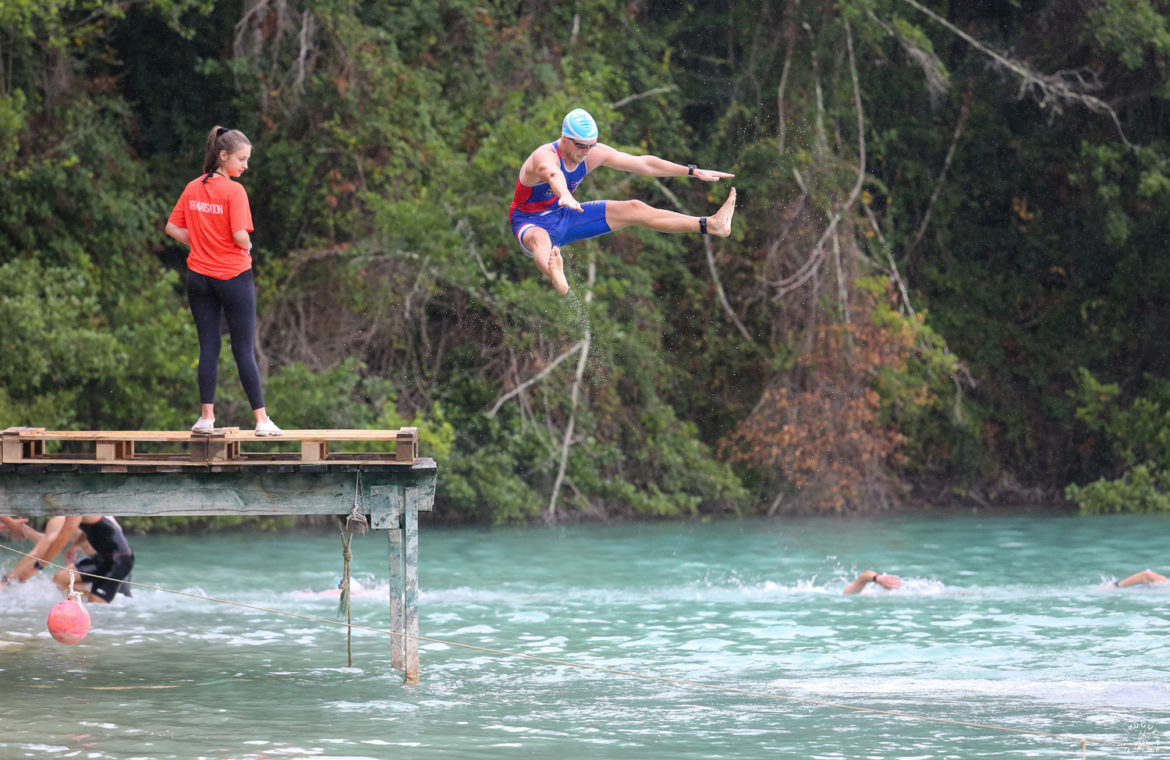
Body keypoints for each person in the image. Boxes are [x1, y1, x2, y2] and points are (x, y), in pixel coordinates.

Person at [509, 108, 737, 294]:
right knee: (540, 239)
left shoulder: (590, 153)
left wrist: (690, 171)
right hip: (529, 220)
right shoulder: (544, 155)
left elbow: (644, 164)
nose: (587, 152)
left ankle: (712, 224)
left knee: (635, 208)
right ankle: (556, 276)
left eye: (592, 145)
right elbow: (552, 174)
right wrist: (565, 195)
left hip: (567, 214)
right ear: (565, 139)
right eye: (581, 146)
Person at [165, 125, 282, 437]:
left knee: (209, 347)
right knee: (242, 349)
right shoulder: (234, 191)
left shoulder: (193, 187)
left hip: (199, 278)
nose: (245, 165)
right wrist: (248, 246)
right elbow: (240, 237)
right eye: (241, 159)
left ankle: (206, 419)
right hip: (233, 277)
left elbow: (172, 228)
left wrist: (202, 243)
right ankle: (261, 422)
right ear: (223, 155)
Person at [52, 516, 135, 604]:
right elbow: (88, 531)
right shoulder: (87, 519)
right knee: (60, 579)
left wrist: (39, 565)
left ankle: (106, 600)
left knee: (97, 603)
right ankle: (88, 600)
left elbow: (58, 542)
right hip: (100, 558)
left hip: (119, 562)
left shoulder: (99, 518)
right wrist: (75, 546)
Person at [3, 516, 82, 588]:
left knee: (59, 580)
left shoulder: (61, 519)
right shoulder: (69, 519)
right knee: (61, 583)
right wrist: (27, 531)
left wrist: (5, 581)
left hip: (93, 563)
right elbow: (50, 544)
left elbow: (41, 550)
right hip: (91, 562)